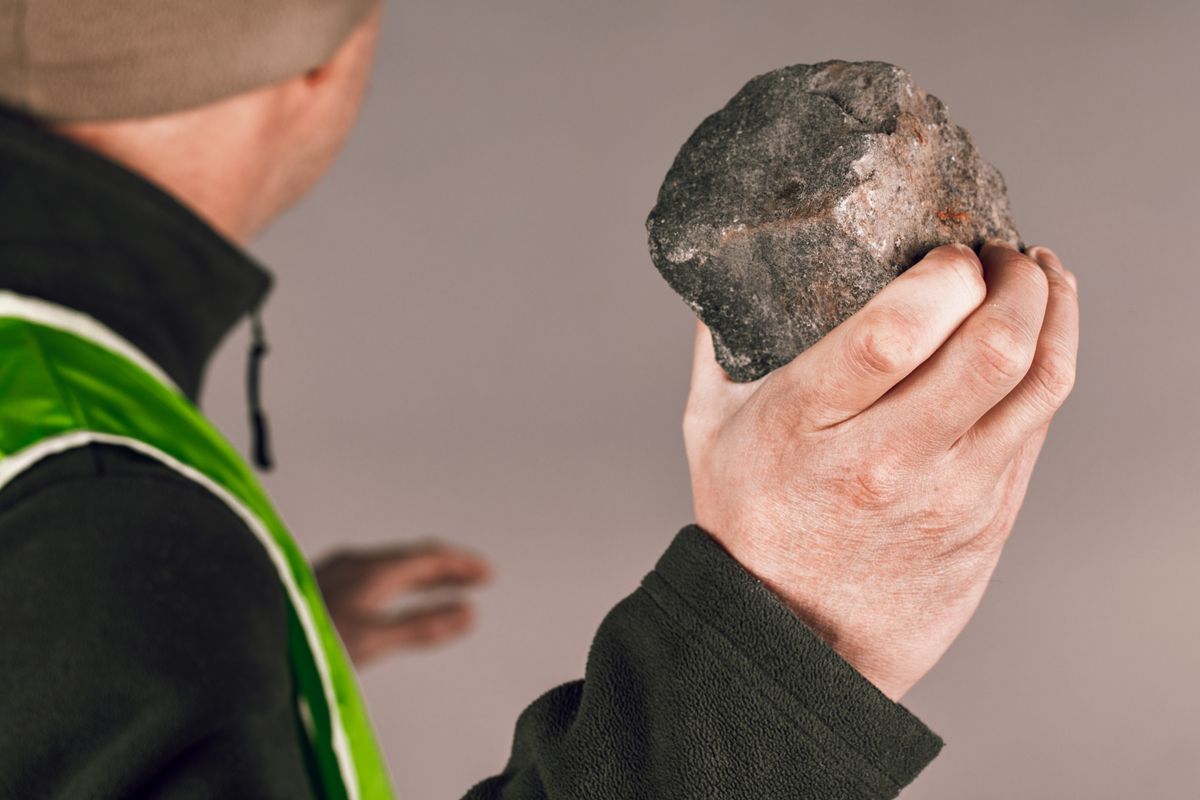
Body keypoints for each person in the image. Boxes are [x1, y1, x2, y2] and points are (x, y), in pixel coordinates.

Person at [0, 1, 1080, 798]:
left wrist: (189, 679)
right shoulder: (89, 531)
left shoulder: (80, 530)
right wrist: (768, 651)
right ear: (323, 65)